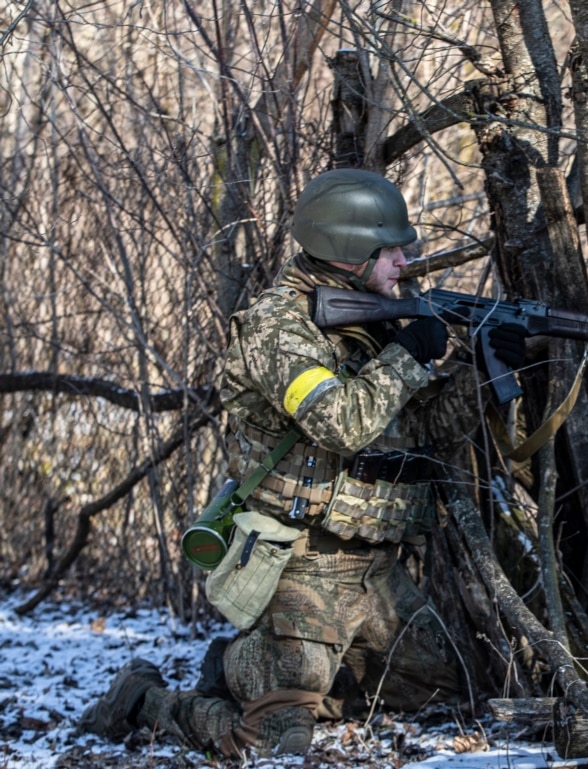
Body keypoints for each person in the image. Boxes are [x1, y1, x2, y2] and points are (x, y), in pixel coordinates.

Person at [77, 168, 527, 757]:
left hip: (378, 569)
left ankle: (250, 670)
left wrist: (481, 373)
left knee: (449, 685)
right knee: (269, 742)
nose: (404, 261)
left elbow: (424, 430)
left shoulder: (378, 317)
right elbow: (343, 423)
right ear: (346, 251)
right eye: (389, 250)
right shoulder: (277, 329)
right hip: (305, 561)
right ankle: (146, 699)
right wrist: (410, 353)